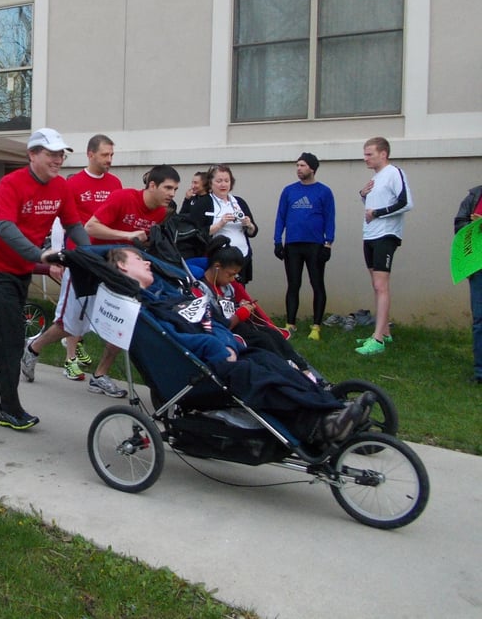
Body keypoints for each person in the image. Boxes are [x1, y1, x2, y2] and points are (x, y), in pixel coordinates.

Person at [108, 247, 373, 445]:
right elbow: (174, 339)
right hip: (203, 369)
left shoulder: (168, 293)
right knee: (264, 381)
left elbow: (209, 320)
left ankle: (333, 410)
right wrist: (219, 349)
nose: (146, 261)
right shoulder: (141, 306)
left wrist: (229, 341)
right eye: (137, 259)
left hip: (224, 350)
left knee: (275, 362)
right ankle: (319, 427)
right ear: (121, 268)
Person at [0, 127, 89, 431]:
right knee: (10, 334)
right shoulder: (11, 184)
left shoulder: (61, 187)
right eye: (51, 154)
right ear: (32, 154)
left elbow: (74, 225)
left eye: (61, 154)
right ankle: (8, 408)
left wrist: (89, 256)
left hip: (20, 269)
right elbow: (5, 228)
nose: (58, 159)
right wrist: (40, 255)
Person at [20, 134, 121, 389]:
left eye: (112, 155)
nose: (109, 159)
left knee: (118, 320)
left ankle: (100, 375)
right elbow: (59, 222)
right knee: (68, 323)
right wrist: (56, 256)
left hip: (106, 263)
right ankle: (33, 348)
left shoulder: (115, 183)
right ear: (90, 154)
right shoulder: (73, 183)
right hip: (79, 262)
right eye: (104, 155)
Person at [201, 236, 315, 378]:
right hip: (226, 334)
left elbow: (229, 307)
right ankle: (290, 373)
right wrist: (240, 314)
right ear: (217, 267)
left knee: (273, 334)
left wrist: (240, 307)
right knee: (263, 340)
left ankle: (304, 370)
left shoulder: (227, 287)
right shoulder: (202, 290)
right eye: (230, 274)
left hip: (241, 327)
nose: (232, 280)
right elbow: (215, 324)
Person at [356, 137, 413, 356]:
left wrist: (377, 213)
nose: (365, 158)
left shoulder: (394, 173)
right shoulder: (376, 177)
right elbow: (374, 204)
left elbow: (406, 203)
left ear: (383, 153)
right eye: (364, 154)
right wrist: (363, 196)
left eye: (369, 154)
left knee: (381, 285)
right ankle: (385, 332)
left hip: (385, 236)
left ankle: (377, 339)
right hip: (370, 235)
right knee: (376, 284)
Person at [273, 153, 335, 340]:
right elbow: (280, 216)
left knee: (317, 284)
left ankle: (316, 326)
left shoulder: (324, 192)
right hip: (293, 245)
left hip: (315, 245)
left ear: (312, 169)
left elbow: (330, 218)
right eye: (297, 165)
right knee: (293, 284)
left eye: (303, 165)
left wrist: (328, 243)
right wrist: (277, 241)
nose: (299, 168)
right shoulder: (289, 191)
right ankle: (290, 324)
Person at [185, 164, 258, 284]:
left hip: (242, 257)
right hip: (218, 261)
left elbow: (253, 232)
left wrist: (249, 224)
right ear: (210, 183)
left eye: (226, 181)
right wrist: (220, 224)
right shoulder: (203, 203)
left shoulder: (239, 202)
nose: (223, 184)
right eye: (219, 181)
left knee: (240, 293)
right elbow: (195, 233)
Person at [454, 184, 482, 384]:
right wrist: (472, 226)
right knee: (480, 320)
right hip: (478, 266)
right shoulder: (475, 195)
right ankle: (480, 372)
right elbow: (459, 224)